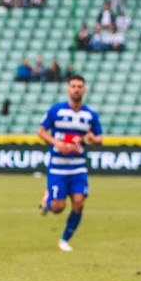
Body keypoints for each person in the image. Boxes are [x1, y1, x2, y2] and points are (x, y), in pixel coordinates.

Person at [37, 75, 103, 252]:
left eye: (79, 86)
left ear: (84, 90)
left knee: (79, 203)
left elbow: (99, 138)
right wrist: (57, 143)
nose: (76, 89)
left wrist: (93, 139)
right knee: (58, 207)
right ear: (68, 89)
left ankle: (64, 240)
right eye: (73, 86)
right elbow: (41, 131)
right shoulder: (56, 110)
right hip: (58, 166)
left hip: (78, 166)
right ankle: (47, 199)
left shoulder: (90, 115)